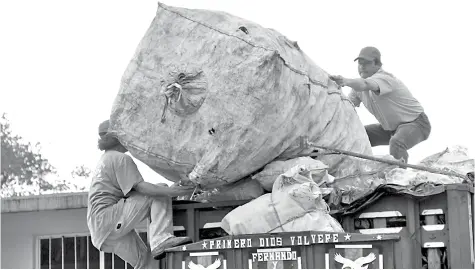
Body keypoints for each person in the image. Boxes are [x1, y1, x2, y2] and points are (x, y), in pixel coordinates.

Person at [87, 120, 195, 269]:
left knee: (146, 263)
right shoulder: (120, 158)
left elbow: (135, 194)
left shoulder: (104, 160)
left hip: (100, 232)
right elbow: (144, 190)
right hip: (109, 219)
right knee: (159, 190)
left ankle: (159, 243)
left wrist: (170, 190)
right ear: (118, 137)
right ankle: (160, 239)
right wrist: (171, 191)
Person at [329, 46, 431, 163]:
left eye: (366, 63)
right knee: (358, 136)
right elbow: (345, 107)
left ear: (377, 64)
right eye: (360, 64)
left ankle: (398, 176)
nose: (362, 67)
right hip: (391, 128)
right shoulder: (358, 88)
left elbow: (366, 84)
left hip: (417, 124)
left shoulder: (385, 78)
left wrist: (345, 81)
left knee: (396, 143)